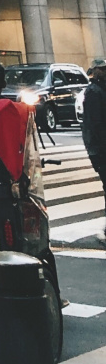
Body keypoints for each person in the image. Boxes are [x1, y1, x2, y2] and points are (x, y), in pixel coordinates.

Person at [81, 64, 106, 237]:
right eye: (102, 69)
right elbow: (93, 125)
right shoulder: (94, 92)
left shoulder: (98, 90)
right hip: (101, 150)